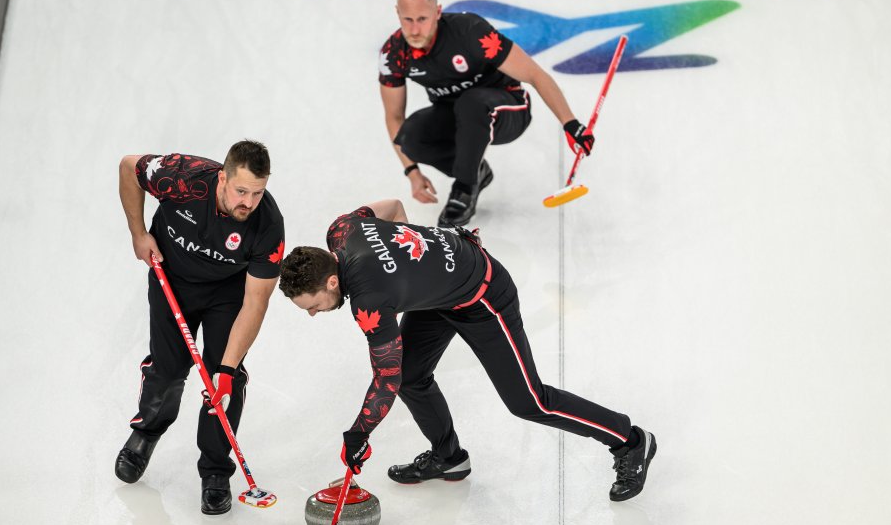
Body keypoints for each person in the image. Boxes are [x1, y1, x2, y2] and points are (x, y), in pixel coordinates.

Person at [277, 199, 656, 502]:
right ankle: (449, 457)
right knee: (412, 375)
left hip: (483, 297)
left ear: (331, 280)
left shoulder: (369, 302)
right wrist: (417, 270)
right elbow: (392, 208)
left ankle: (630, 441)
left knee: (529, 401)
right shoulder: (342, 229)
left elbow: (384, 378)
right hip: (441, 297)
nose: (313, 314)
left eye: (313, 304)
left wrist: (360, 432)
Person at [115, 140, 285, 515]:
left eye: (258, 193)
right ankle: (146, 431)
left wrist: (226, 368)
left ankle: (215, 471)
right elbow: (129, 167)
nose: (249, 202)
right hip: (170, 277)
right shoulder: (182, 177)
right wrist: (138, 233)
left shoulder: (268, 225)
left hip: (228, 293)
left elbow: (256, 303)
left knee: (225, 380)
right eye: (241, 191)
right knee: (168, 367)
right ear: (222, 178)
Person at [379, 0, 596, 227]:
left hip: (508, 107)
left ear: (437, 12)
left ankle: (465, 187)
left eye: (422, 19)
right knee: (410, 137)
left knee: (471, 102)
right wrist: (412, 172)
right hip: (456, 114)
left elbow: (535, 74)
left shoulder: (470, 32)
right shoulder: (393, 54)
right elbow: (394, 116)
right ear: (398, 13)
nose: (415, 30)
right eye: (408, 20)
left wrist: (570, 123)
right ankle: (476, 171)